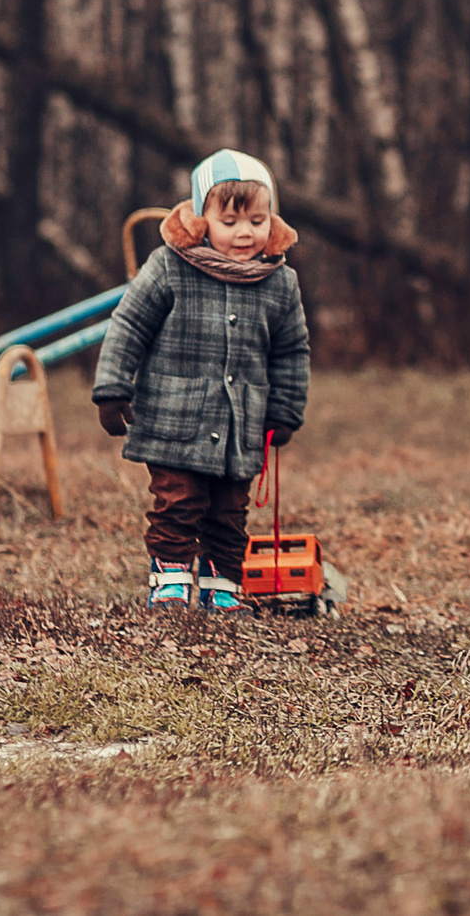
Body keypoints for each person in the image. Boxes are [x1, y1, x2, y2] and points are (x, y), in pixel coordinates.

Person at [93, 150, 310, 614]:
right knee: (178, 500)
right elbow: (128, 325)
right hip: (174, 417)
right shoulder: (169, 266)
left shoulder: (280, 282)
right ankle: (170, 577)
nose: (245, 231)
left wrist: (286, 410)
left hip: (241, 424)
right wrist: (113, 388)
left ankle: (222, 582)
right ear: (200, 219)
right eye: (230, 221)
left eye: (257, 219)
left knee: (230, 509)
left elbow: (291, 351)